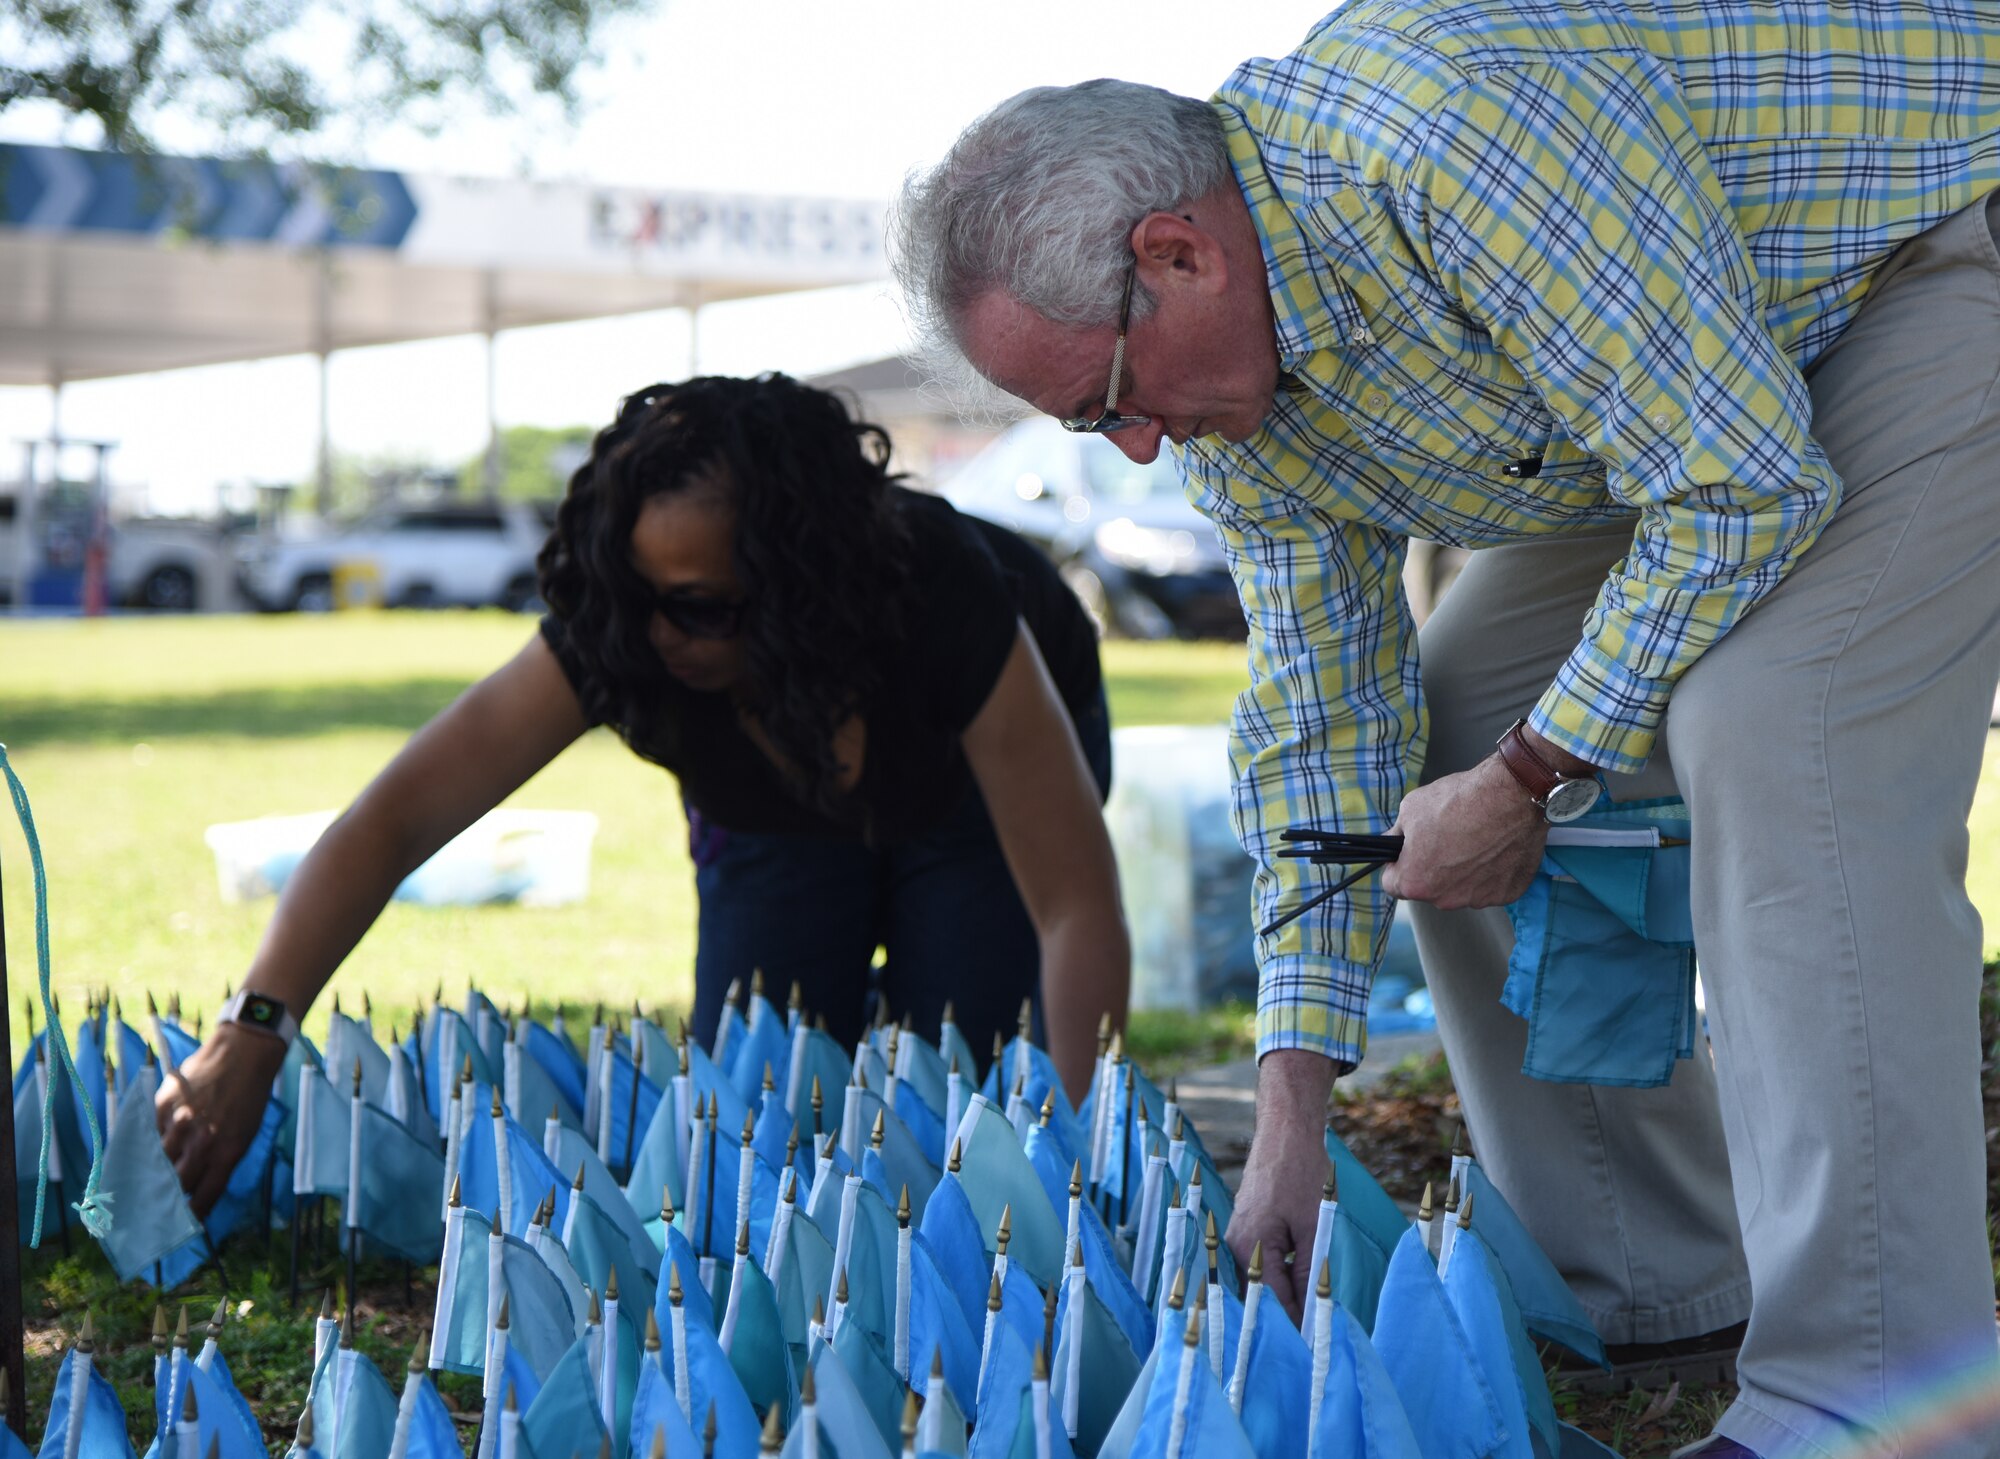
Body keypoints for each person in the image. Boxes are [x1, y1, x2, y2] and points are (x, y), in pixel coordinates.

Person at [892, 7, 2000, 1453]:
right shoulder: (1238, 393)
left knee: (1770, 719)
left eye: (1109, 402)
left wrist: (1538, 774)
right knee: (1453, 717)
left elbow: (1738, 489)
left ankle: (1876, 1386)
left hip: (1921, 259)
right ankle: (1657, 1262)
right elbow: (1325, 719)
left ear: (1177, 254)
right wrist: (1296, 1105)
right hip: (1719, 382)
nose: (1142, 450)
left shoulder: (1444, 136)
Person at [157, 373, 1129, 1212]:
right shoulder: (624, 632)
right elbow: (397, 815)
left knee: (959, 1090)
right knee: (760, 1108)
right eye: (633, 593)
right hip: (773, 818)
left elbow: (1073, 906)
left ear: (802, 586)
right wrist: (253, 1030)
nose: (657, 636)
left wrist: (1082, 1159)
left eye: (698, 606)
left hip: (969, 801)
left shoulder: (941, 597)